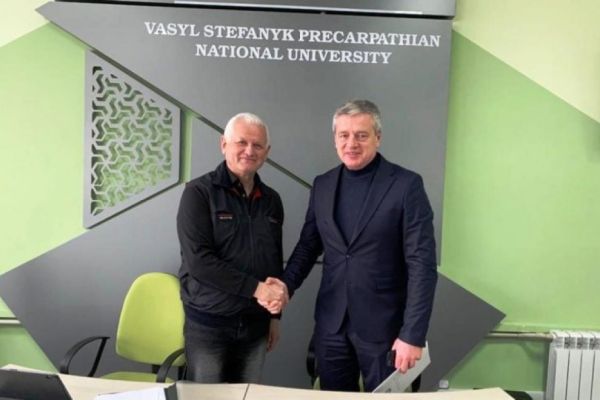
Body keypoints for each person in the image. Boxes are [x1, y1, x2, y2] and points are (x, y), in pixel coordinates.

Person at [262, 99, 437, 392]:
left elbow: (423, 265)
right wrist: (285, 286)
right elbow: (308, 247)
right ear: (335, 139)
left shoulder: (406, 185)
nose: (351, 143)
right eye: (344, 135)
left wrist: (413, 334)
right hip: (331, 326)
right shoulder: (323, 185)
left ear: (378, 137)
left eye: (361, 135)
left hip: (385, 329)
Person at [177, 112, 288, 383]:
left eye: (257, 145)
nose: (249, 150)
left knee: (246, 396)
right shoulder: (198, 193)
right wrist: (257, 289)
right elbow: (199, 262)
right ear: (223, 144)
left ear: (266, 153)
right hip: (209, 325)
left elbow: (274, 261)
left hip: (256, 326)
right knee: (206, 398)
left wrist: (275, 316)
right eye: (241, 142)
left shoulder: (272, 200)